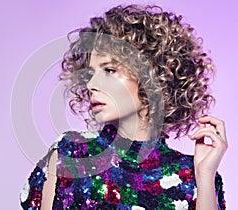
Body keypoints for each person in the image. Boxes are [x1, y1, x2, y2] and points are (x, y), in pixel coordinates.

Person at [20, 4, 227, 210]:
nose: (91, 85)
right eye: (90, 73)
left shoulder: (191, 177)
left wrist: (205, 176)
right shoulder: (72, 153)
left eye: (109, 70)